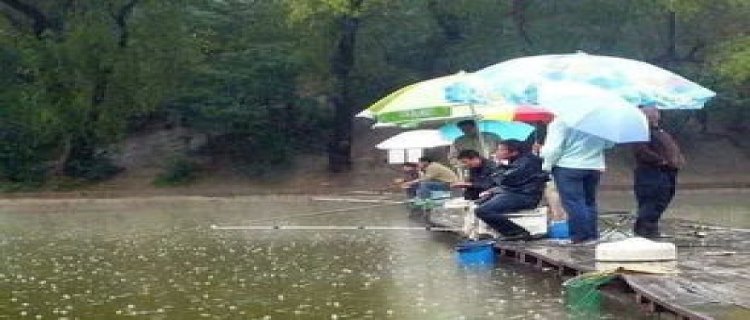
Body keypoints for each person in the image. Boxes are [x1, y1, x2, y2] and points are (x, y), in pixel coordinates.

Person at [540, 119, 614, 243]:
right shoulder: (600, 121)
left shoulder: (561, 121)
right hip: (594, 166)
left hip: (567, 166)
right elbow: (609, 144)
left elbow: (552, 149)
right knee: (589, 202)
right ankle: (592, 235)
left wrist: (546, 165)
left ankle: (580, 237)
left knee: (574, 202)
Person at [474, 140, 548, 240]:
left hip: (525, 195)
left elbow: (503, 179)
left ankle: (517, 232)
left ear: (514, 152)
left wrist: (498, 164)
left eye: (501, 150)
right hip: (517, 192)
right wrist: (493, 191)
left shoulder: (526, 162)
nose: (497, 152)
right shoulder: (522, 160)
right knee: (479, 202)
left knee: (482, 211)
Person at [632, 106, 685, 238]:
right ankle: (643, 231)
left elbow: (670, 147)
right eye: (652, 113)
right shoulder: (640, 132)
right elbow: (641, 151)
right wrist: (662, 161)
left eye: (656, 112)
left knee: (662, 200)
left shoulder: (660, 131)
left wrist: (678, 158)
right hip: (651, 173)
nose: (656, 115)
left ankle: (651, 228)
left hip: (668, 173)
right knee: (651, 202)